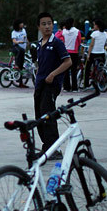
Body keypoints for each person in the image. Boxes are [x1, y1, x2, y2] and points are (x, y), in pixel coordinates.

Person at [34, 12, 72, 163]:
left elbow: (68, 62)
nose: (47, 26)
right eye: (44, 24)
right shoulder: (39, 44)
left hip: (51, 85)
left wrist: (53, 75)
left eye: (49, 23)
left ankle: (54, 149)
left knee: (48, 115)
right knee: (39, 116)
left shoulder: (56, 43)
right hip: (40, 85)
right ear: (39, 27)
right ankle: (47, 148)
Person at [83, 19, 107, 89]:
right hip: (102, 53)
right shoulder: (105, 34)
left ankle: (86, 84)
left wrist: (88, 54)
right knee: (101, 69)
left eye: (94, 25)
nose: (93, 26)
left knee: (87, 68)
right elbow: (105, 43)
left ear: (97, 26)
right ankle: (102, 83)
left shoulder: (94, 33)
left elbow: (91, 45)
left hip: (93, 53)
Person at [61, 18, 81, 92]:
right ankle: (74, 88)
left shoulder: (64, 32)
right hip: (74, 52)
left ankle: (66, 87)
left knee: (66, 70)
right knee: (74, 70)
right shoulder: (77, 31)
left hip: (66, 52)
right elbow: (79, 42)